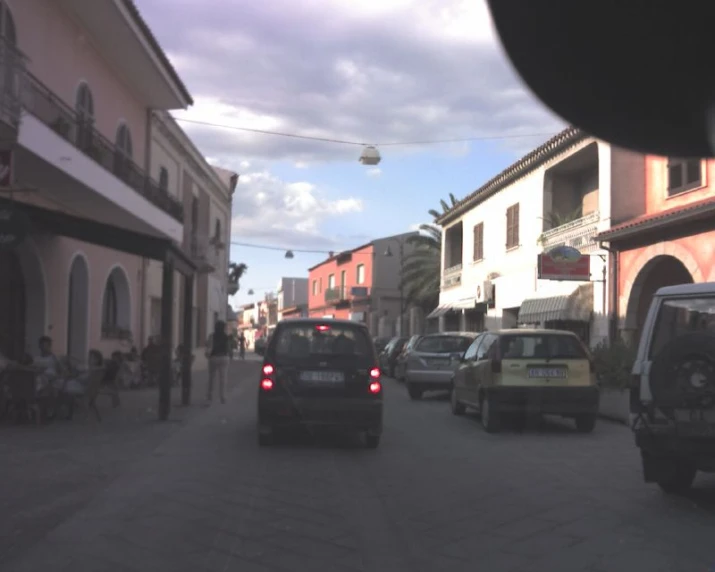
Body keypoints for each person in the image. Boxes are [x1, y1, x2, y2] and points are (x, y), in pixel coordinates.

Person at [205, 320, 230, 404]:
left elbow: (209, 347)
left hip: (214, 357)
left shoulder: (212, 336)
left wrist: (207, 355)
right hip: (224, 357)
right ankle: (223, 397)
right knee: (223, 379)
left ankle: (209, 397)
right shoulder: (225, 336)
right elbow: (228, 348)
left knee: (212, 378)